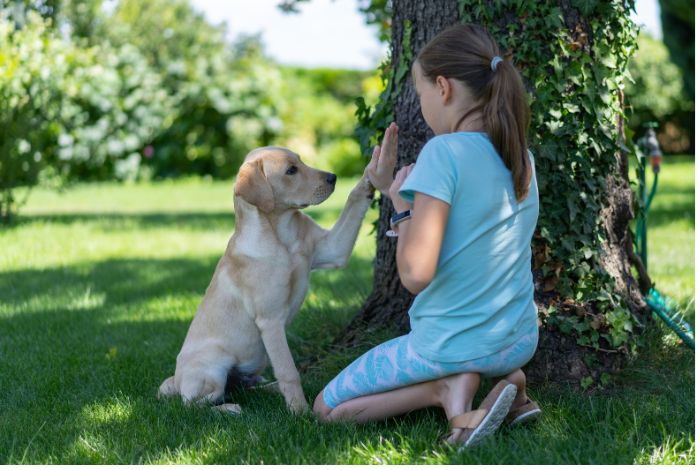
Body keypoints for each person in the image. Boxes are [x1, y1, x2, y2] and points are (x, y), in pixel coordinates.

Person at [313, 23, 542, 448]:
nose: (421, 108)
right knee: (484, 353)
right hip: (518, 339)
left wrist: (399, 204)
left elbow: (416, 274)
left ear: (443, 88)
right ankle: (512, 389)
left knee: (327, 410)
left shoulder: (443, 153)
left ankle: (447, 387)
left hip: (452, 344)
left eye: (420, 95)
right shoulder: (520, 156)